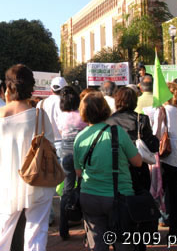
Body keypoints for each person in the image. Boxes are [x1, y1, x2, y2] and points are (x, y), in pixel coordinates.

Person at [0, 64, 56, 251]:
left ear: (8, 88)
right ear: (31, 88)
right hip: (39, 181)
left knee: (2, 234)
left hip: (8, 182)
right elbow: (50, 146)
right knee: (37, 233)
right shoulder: (39, 115)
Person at [74, 91, 142, 251]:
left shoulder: (80, 137)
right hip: (119, 196)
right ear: (105, 109)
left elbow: (78, 172)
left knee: (97, 244)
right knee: (123, 243)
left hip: (89, 196)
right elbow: (138, 162)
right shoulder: (117, 132)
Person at [152, 83, 177, 237]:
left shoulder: (162, 111)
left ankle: (161, 226)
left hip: (167, 157)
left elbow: (156, 134)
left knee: (161, 193)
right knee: (176, 195)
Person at [107, 86, 158, 191]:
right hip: (139, 167)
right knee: (140, 202)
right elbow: (153, 146)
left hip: (117, 167)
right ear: (135, 101)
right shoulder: (142, 119)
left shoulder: (108, 121)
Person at [56, 86, 87, 240]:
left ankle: (63, 229)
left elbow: (61, 133)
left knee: (66, 192)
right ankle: (88, 227)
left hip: (65, 155)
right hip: (81, 156)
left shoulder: (61, 116)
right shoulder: (82, 116)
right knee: (84, 189)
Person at [36, 76, 66, 158]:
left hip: (44, 144)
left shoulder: (40, 103)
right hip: (61, 143)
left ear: (51, 89)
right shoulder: (65, 104)